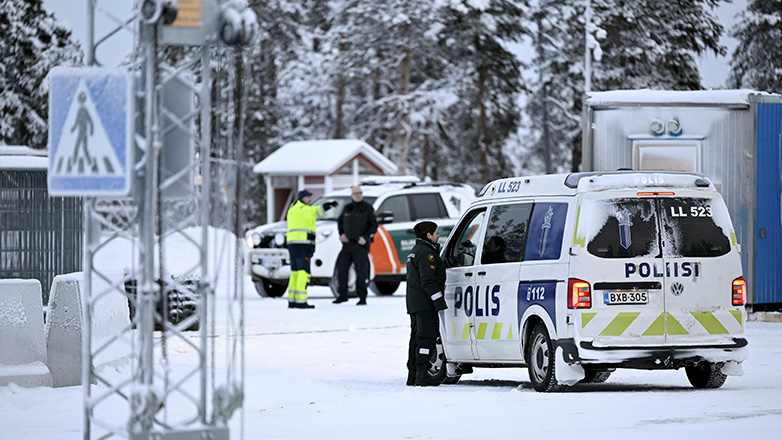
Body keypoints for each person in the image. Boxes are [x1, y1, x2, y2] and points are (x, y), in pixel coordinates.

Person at [405, 221, 448, 386]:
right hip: (424, 304)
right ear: (428, 235)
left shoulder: (415, 251)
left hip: (415, 303)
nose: (438, 235)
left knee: (416, 338)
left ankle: (413, 374)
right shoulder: (426, 253)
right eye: (436, 232)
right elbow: (428, 281)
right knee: (426, 338)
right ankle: (422, 375)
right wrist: (439, 302)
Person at [286, 189, 338, 309]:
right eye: (307, 197)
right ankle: (301, 301)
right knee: (304, 273)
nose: (310, 200)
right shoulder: (304, 210)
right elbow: (317, 211)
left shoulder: (292, 209)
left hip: (292, 244)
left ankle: (292, 300)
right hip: (303, 244)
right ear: (301, 198)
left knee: (295, 273)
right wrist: (328, 205)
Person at [333, 185, 378, 305]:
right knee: (342, 269)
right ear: (351, 195)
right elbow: (340, 222)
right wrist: (341, 234)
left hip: (360, 244)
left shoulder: (367, 208)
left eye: (360, 193)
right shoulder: (347, 208)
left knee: (360, 272)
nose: (358, 195)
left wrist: (365, 237)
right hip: (347, 244)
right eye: (355, 193)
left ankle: (362, 297)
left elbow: (374, 226)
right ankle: (342, 295)